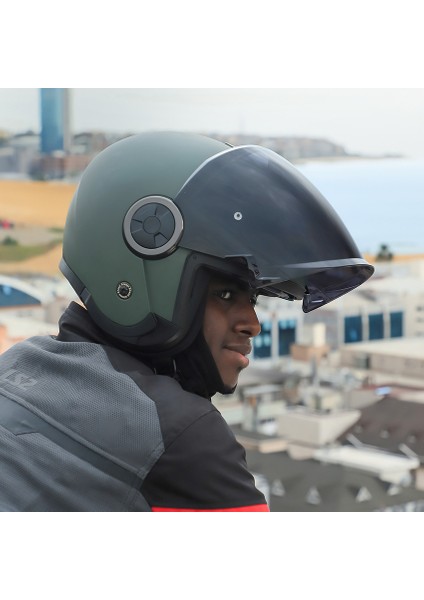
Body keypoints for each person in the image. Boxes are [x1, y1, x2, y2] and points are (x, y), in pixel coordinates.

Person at [0, 131, 373, 511]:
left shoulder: (17, 366)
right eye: (224, 294)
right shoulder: (181, 435)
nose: (253, 324)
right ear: (145, 245)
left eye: (253, 299)